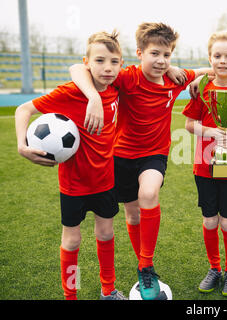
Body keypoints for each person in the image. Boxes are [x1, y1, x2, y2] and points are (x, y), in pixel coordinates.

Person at [69, 22, 214, 300]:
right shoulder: (127, 77)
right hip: (121, 155)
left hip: (154, 153)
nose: (161, 61)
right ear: (139, 53)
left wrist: (195, 79)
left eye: (167, 55)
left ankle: (146, 265)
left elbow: (209, 71)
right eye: (155, 54)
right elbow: (77, 68)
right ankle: (142, 263)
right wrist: (93, 98)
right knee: (132, 213)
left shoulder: (175, 78)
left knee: (149, 193)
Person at [15, 30, 126, 300]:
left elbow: (81, 65)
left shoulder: (117, 87)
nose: (107, 68)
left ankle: (108, 291)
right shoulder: (70, 93)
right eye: (99, 61)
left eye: (114, 62)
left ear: (121, 64)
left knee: (106, 234)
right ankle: (70, 296)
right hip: (73, 185)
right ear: (87, 62)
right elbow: (23, 110)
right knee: (72, 240)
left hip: (105, 180)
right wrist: (22, 145)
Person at [182, 30, 227, 296]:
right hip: (204, 164)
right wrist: (209, 132)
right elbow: (189, 125)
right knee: (210, 220)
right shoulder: (201, 88)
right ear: (210, 58)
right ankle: (214, 268)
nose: (222, 61)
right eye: (217, 56)